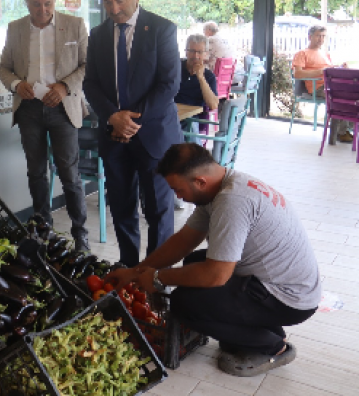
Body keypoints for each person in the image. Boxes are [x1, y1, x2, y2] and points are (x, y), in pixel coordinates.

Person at [106, 143, 321, 377]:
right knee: (194, 261)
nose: (177, 196)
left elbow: (216, 275)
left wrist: (158, 278)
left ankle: (273, 347)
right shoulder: (221, 188)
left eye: (178, 189)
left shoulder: (232, 201)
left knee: (184, 303)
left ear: (199, 181)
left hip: (290, 299)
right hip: (276, 283)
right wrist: (136, 272)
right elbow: (184, 241)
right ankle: (263, 329)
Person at [82, 0, 182, 267]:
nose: (114, 9)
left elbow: (169, 84)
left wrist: (130, 121)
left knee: (158, 211)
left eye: (121, 1)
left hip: (153, 135)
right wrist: (114, 117)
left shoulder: (162, 29)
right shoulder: (98, 35)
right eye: (108, 2)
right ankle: (127, 269)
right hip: (114, 137)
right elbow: (90, 83)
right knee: (122, 209)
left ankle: (154, 277)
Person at [0, 0, 90, 250]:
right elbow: (4, 68)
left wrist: (63, 87)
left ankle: (80, 235)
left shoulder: (74, 25)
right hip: (29, 109)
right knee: (36, 172)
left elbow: (87, 65)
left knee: (69, 175)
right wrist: (17, 85)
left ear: (55, 0)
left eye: (48, 3)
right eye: (36, 4)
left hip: (63, 108)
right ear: (26, 2)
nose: (43, 10)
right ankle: (42, 230)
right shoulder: (15, 29)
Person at [292, 25, 350, 145]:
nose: (321, 39)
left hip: (331, 84)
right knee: (342, 97)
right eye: (318, 36)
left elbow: (328, 70)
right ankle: (341, 133)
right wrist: (322, 71)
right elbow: (297, 74)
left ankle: (346, 130)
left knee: (352, 94)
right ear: (310, 37)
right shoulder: (302, 53)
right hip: (318, 87)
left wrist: (338, 68)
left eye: (323, 36)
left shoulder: (325, 54)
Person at [175, 34, 218, 142]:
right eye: (192, 51)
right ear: (186, 52)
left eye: (200, 52)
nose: (195, 55)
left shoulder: (209, 76)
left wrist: (200, 77)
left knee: (189, 126)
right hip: (170, 113)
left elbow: (213, 105)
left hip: (192, 118)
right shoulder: (175, 68)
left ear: (206, 54)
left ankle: (196, 158)